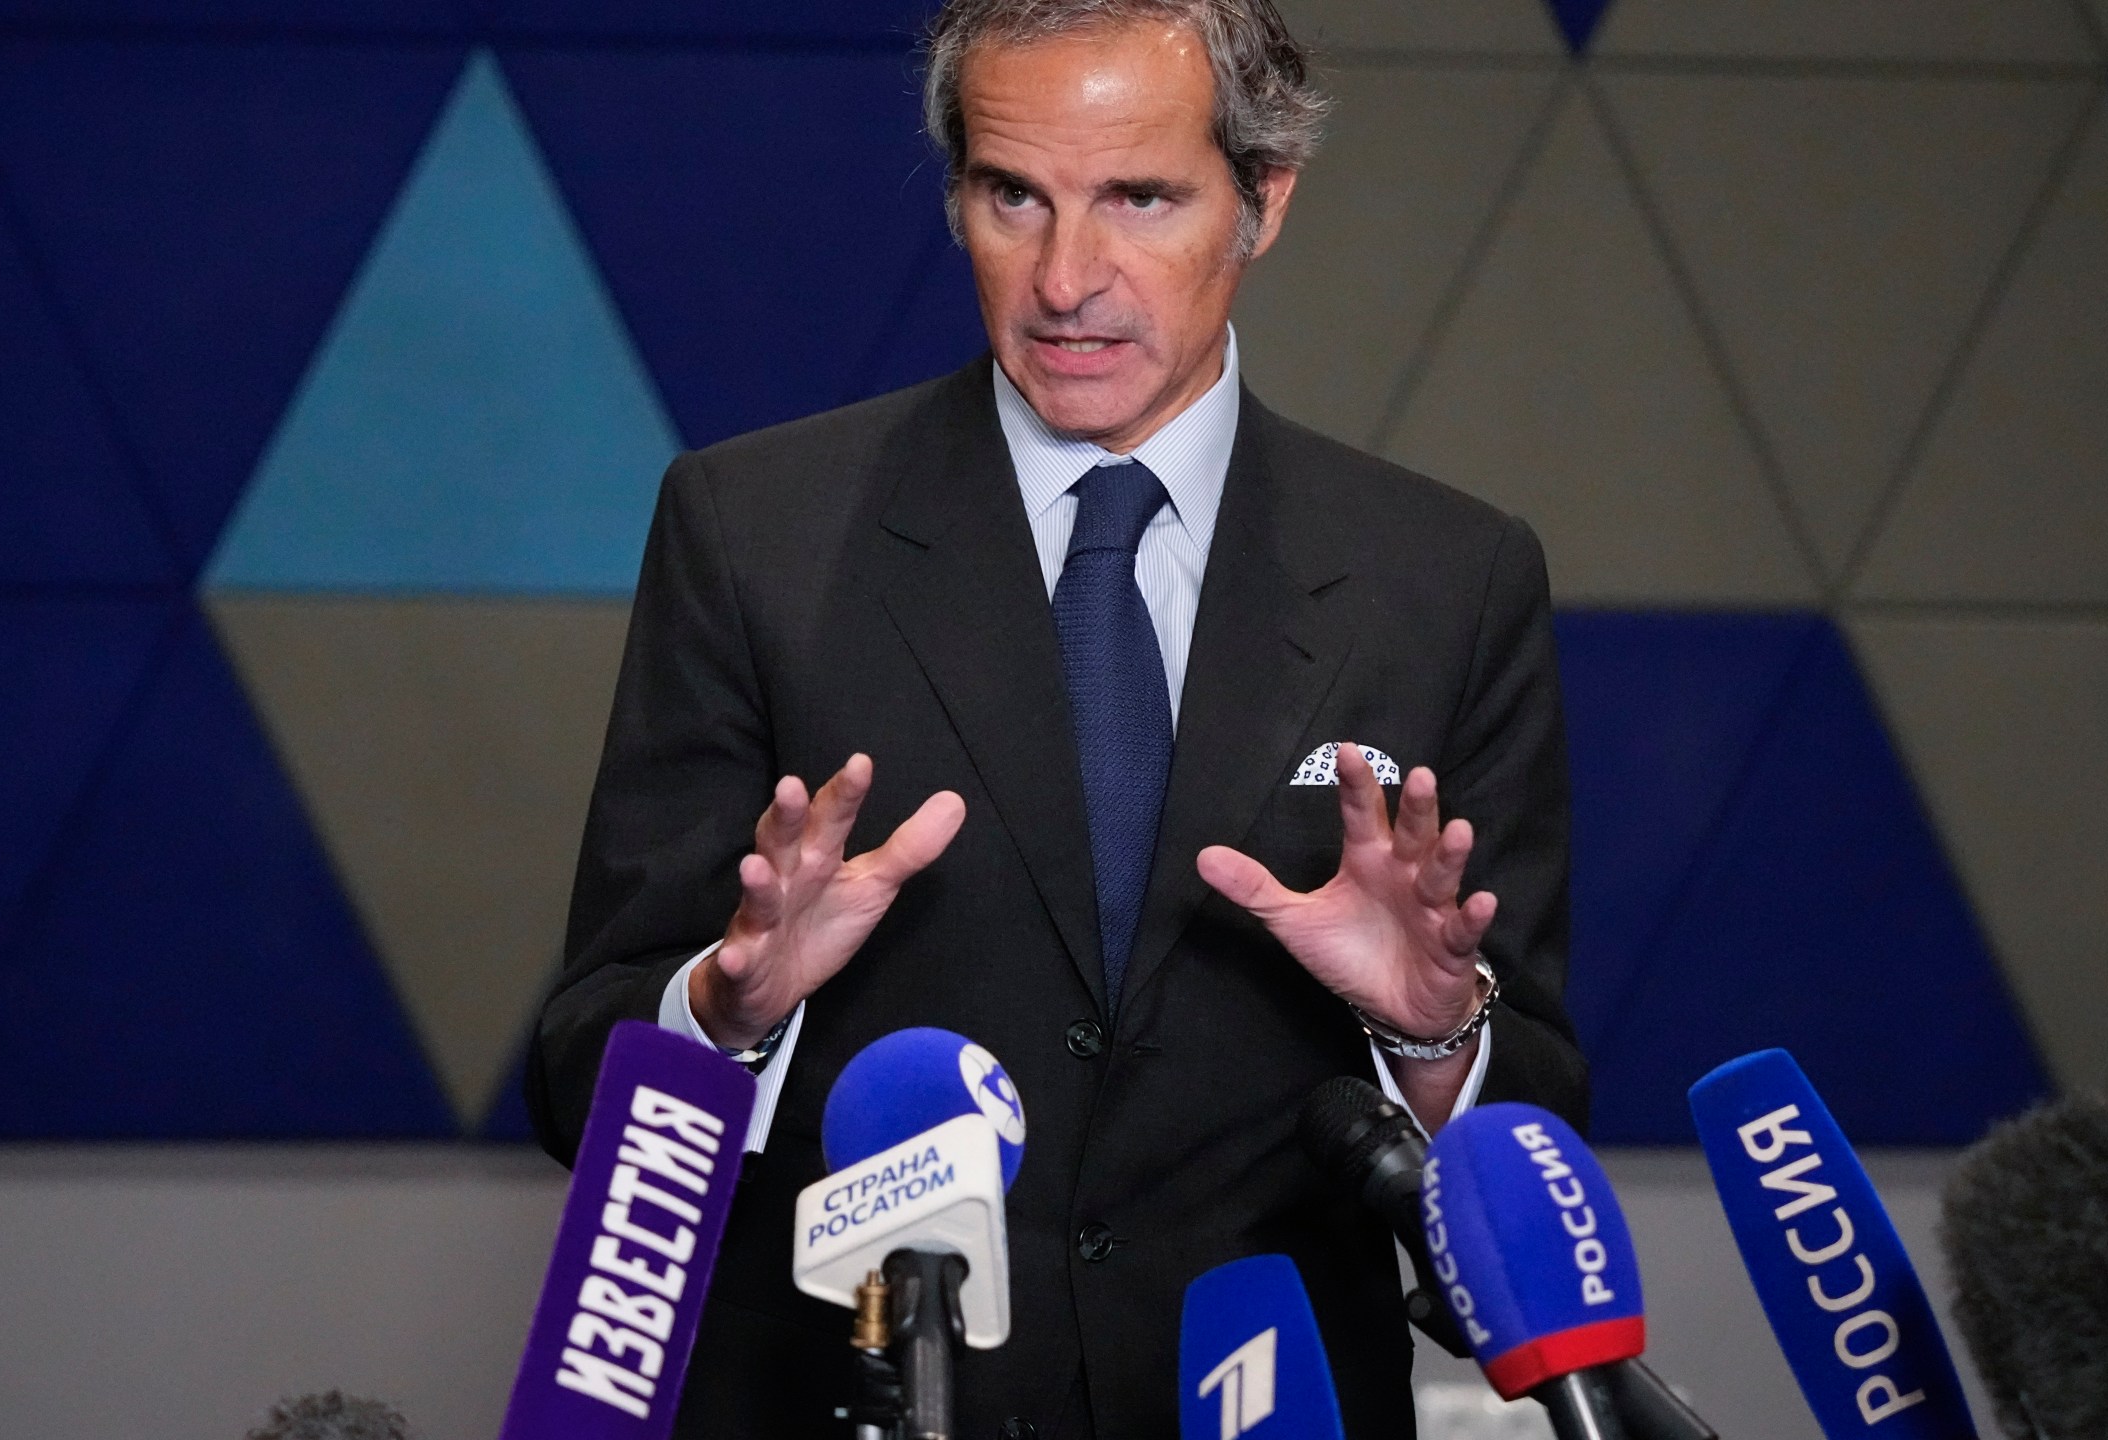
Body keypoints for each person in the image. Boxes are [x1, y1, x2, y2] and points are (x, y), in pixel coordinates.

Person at [526, 1, 1585, 1434]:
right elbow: (581, 1077)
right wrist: (726, 1012)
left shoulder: (1446, 580)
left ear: (1263, 202)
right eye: (1010, 197)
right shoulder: (753, 532)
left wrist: (1433, 1042)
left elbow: (1541, 1138)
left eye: (1138, 198)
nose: (1065, 278)